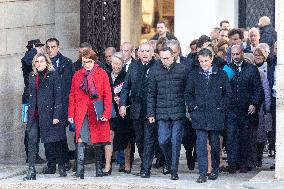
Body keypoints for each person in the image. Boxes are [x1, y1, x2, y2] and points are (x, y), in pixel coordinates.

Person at [187, 48, 231, 183]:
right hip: (199, 115)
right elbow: (188, 93)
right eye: (201, 61)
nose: (204, 64)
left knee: (215, 144)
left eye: (206, 61)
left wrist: (221, 107)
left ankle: (214, 170)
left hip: (215, 115)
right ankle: (202, 173)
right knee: (200, 145)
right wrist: (193, 107)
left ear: (211, 59)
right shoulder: (194, 74)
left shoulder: (221, 74)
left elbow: (228, 94)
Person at [68, 48, 112, 178]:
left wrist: (106, 112)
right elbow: (72, 95)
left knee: (97, 140)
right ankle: (80, 171)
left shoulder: (102, 73)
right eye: (84, 62)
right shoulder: (77, 75)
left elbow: (107, 94)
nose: (86, 64)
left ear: (94, 61)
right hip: (81, 112)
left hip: (96, 111)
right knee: (81, 139)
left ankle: (99, 170)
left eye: (89, 62)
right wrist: (70, 114)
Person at [147, 47, 189, 180]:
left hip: (178, 112)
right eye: (162, 58)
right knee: (163, 140)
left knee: (176, 140)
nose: (164, 61)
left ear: (173, 56)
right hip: (162, 112)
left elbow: (187, 91)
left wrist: (189, 111)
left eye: (167, 58)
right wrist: (151, 113)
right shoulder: (155, 71)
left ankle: (174, 170)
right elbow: (151, 94)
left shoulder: (182, 70)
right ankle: (169, 161)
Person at [23, 53, 66, 180]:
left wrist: (57, 115)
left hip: (49, 113)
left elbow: (59, 97)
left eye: (42, 61)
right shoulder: (32, 76)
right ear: (34, 64)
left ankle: (61, 166)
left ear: (47, 63)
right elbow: (30, 95)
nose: (39, 64)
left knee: (55, 140)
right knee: (32, 140)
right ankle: (31, 170)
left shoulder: (53, 75)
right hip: (34, 114)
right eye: (37, 61)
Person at [226, 45, 264, 174]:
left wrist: (254, 103)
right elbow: (223, 89)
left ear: (242, 53)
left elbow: (258, 89)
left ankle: (243, 163)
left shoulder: (251, 69)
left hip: (245, 110)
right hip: (231, 109)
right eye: (233, 54)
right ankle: (232, 163)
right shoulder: (228, 69)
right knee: (231, 136)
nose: (235, 57)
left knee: (244, 137)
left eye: (237, 54)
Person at [119, 42, 156, 175]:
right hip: (136, 109)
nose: (145, 54)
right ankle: (144, 161)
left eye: (147, 51)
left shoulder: (156, 67)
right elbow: (126, 87)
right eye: (142, 51)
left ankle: (146, 168)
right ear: (138, 53)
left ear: (152, 53)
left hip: (151, 109)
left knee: (149, 138)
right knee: (139, 139)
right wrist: (122, 104)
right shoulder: (133, 67)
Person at [44, 38, 73, 173]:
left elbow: (68, 85)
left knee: (60, 134)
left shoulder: (66, 63)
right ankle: (51, 163)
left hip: (61, 103)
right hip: (47, 104)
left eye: (53, 47)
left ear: (58, 47)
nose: (51, 50)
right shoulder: (42, 61)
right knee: (48, 135)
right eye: (48, 47)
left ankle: (64, 161)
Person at [107, 52, 134, 176]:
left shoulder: (126, 76)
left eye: (118, 64)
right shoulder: (107, 75)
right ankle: (108, 164)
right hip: (111, 110)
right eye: (114, 63)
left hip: (125, 111)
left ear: (122, 64)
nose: (116, 66)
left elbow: (131, 92)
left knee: (126, 138)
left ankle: (127, 162)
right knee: (110, 135)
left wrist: (124, 101)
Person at [21, 39, 46, 165]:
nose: (42, 49)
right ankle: (31, 155)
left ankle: (35, 154)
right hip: (28, 99)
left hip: (38, 98)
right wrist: (34, 50)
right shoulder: (28, 58)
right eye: (40, 46)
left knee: (38, 128)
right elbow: (25, 60)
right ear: (35, 46)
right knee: (29, 128)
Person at [253, 47, 271, 167]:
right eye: (256, 55)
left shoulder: (266, 71)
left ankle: (258, 158)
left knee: (260, 133)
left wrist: (267, 106)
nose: (257, 58)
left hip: (261, 107)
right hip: (252, 106)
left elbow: (266, 91)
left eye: (260, 56)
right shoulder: (252, 68)